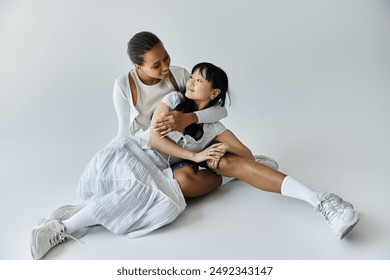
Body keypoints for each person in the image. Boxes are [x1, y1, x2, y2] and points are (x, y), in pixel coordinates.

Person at [30, 32, 277, 260]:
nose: (165, 66)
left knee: (158, 196)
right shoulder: (124, 85)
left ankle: (71, 222)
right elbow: (125, 129)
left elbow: (217, 108)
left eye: (166, 57)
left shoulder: (180, 76)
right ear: (138, 67)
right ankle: (65, 225)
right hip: (142, 145)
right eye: (156, 64)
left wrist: (189, 119)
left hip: (174, 151)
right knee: (132, 190)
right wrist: (117, 154)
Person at [148, 62, 360, 240]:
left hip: (178, 166)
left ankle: (321, 200)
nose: (191, 82)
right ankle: (230, 177)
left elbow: (248, 156)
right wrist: (198, 156)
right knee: (186, 180)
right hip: (155, 160)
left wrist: (220, 149)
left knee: (199, 176)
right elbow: (154, 139)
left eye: (199, 80)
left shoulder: (214, 127)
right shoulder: (174, 100)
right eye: (192, 77)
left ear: (214, 92)